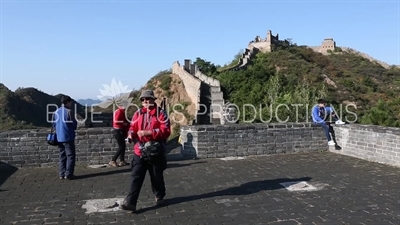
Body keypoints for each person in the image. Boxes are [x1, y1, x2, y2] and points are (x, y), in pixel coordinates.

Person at [120, 90, 171, 212]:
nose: (145, 101)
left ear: (153, 99)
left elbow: (166, 131)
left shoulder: (161, 114)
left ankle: (159, 195)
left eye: (148, 99)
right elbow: (132, 127)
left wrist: (149, 132)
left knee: (156, 176)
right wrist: (131, 135)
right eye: (143, 100)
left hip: (155, 150)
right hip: (140, 150)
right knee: (136, 175)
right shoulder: (138, 113)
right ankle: (131, 202)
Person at [53, 95, 78, 180]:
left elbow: (54, 124)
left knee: (62, 156)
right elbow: (74, 124)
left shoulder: (56, 112)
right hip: (68, 136)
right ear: (68, 102)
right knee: (70, 156)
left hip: (59, 137)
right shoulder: (69, 112)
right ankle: (69, 174)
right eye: (70, 102)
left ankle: (62, 174)